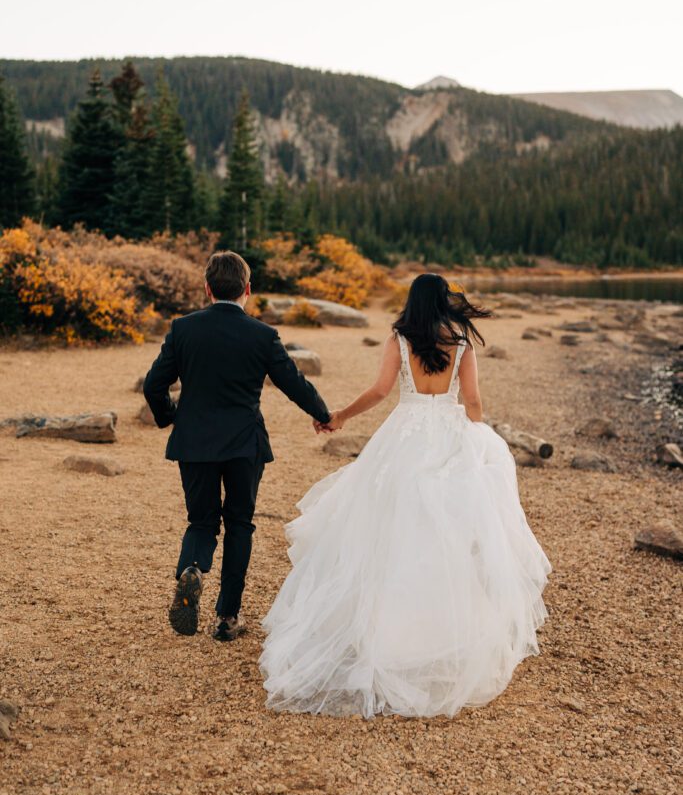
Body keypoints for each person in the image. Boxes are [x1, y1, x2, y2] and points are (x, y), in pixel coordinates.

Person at [260, 273, 552, 717]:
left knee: (391, 530)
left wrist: (339, 416)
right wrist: (472, 427)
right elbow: (473, 403)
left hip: (405, 435)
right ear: (444, 302)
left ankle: (385, 633)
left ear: (412, 303)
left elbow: (380, 391)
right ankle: (442, 633)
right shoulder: (461, 343)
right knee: (449, 537)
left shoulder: (400, 338)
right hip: (450, 436)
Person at [143, 250, 331, 642]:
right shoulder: (262, 335)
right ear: (248, 289)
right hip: (245, 443)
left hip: (194, 442)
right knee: (240, 524)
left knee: (202, 521)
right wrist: (322, 413)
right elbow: (292, 381)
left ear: (207, 288)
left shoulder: (183, 329)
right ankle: (227, 618)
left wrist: (171, 415)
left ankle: (192, 567)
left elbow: (153, 385)